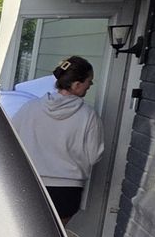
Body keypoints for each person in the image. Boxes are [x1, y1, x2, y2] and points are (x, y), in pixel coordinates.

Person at [9, 55, 104, 222]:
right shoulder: (88, 116)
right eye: (89, 81)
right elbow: (94, 155)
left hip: (30, 183)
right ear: (76, 84)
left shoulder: (30, 108)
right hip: (67, 190)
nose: (91, 85)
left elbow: (10, 139)